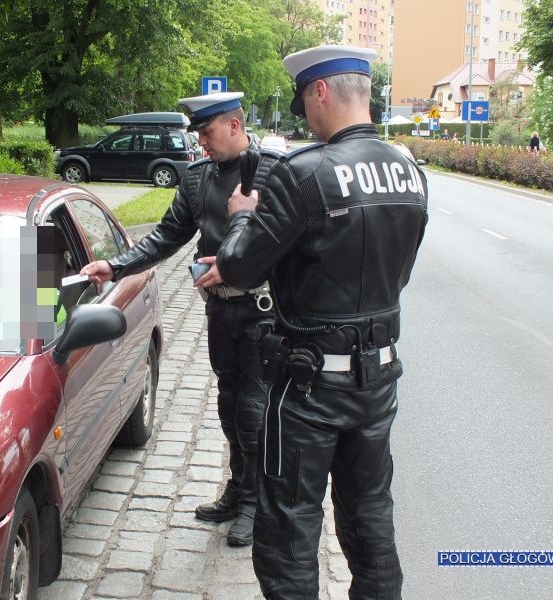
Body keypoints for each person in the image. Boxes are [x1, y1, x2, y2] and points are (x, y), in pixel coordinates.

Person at [216, 45, 428, 599]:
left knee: (288, 525)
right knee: (370, 519)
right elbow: (399, 272)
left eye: (304, 99)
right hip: (378, 382)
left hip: (309, 387)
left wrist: (242, 219)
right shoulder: (409, 172)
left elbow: (239, 267)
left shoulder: (303, 173)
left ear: (321, 92)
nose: (305, 114)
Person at [80, 92, 281, 546]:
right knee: (229, 407)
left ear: (234, 125)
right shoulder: (197, 178)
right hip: (220, 311)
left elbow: (290, 244)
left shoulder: (273, 171)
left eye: (206, 133)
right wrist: (116, 266)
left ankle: (256, 503)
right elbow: (168, 236)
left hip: (263, 314)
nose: (201, 143)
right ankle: (238, 490)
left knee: (253, 412)